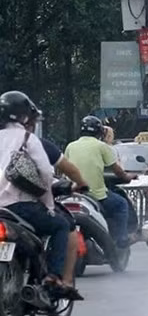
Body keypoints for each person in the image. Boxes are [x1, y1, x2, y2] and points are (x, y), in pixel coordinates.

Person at [0, 91, 76, 295]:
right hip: (22, 207)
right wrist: (48, 204)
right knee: (60, 225)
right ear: (25, 117)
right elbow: (45, 173)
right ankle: (53, 276)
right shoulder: (28, 138)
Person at [24, 114, 88, 294]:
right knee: (63, 226)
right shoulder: (35, 143)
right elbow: (65, 170)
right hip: (27, 205)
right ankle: (57, 278)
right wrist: (81, 184)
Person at [65, 116, 135, 249]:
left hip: (72, 193)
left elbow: (63, 169)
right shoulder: (102, 146)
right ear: (100, 132)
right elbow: (118, 171)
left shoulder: (70, 146)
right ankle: (121, 238)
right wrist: (128, 177)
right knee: (121, 205)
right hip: (95, 195)